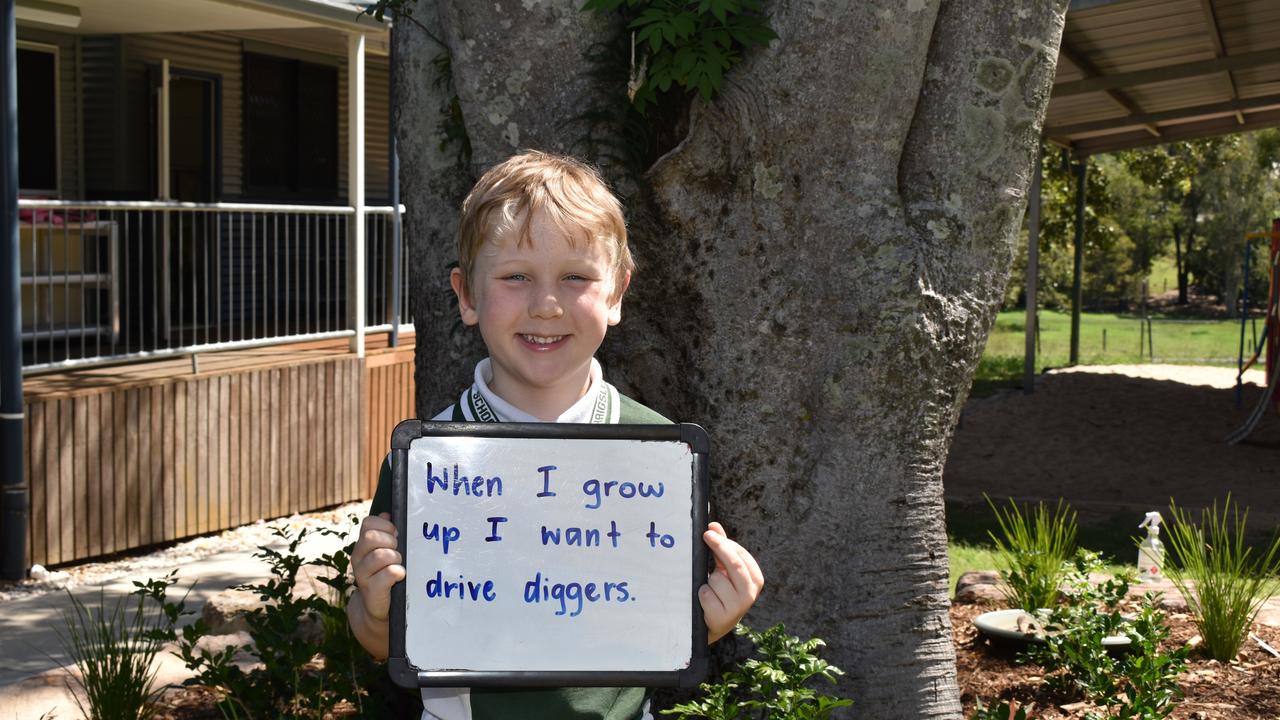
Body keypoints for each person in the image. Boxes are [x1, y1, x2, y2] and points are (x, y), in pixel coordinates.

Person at [347, 150, 764, 720]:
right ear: (467, 295)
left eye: (575, 277)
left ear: (615, 293)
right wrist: (373, 611)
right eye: (516, 277)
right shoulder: (428, 461)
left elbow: (658, 630)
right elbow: (384, 640)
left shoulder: (662, 454)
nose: (546, 305)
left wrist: (709, 622)